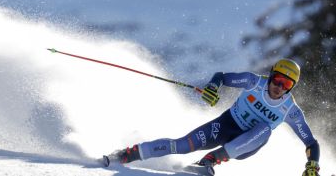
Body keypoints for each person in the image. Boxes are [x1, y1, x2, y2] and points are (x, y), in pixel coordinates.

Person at [108, 59, 320, 176]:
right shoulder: (253, 81)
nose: (279, 87)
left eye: (287, 84)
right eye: (277, 80)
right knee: (182, 145)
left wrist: (312, 164)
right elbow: (221, 77)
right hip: (226, 124)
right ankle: (130, 154)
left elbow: (311, 142)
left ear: (292, 87)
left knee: (265, 129)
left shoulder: (290, 110)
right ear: (271, 75)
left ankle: (212, 160)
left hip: (248, 142)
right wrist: (212, 87)